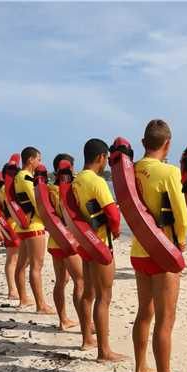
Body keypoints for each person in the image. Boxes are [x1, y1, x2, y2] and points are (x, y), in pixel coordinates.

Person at [130, 119, 187, 372]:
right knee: (165, 320)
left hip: (139, 250)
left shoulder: (132, 171)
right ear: (167, 144)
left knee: (145, 312)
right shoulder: (169, 172)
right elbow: (181, 214)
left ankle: (141, 368)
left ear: (144, 143)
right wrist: (180, 242)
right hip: (163, 252)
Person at [72, 139, 124, 360]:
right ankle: (104, 351)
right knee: (104, 297)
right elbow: (112, 213)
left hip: (85, 243)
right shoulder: (97, 182)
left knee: (88, 293)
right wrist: (117, 230)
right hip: (102, 244)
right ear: (102, 157)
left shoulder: (77, 181)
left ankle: (87, 339)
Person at [13, 146, 54, 314]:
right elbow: (37, 201)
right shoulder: (26, 177)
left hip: (22, 227)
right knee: (36, 266)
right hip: (34, 226)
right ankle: (41, 305)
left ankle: (24, 298)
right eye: (39, 159)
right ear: (31, 159)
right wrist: (50, 220)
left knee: (22, 264)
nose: (40, 162)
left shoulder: (17, 177)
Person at [47, 153, 82, 331]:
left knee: (61, 281)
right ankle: (86, 323)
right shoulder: (71, 188)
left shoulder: (47, 189)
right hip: (69, 240)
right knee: (80, 281)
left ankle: (63, 320)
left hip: (54, 239)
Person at [0, 176, 23, 300]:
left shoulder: (2, 188)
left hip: (12, 223)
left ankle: (14, 288)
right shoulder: (4, 188)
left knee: (16, 259)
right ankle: (12, 289)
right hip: (12, 224)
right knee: (13, 258)